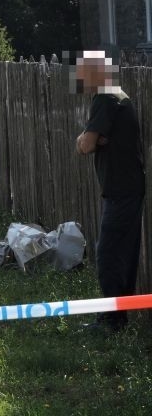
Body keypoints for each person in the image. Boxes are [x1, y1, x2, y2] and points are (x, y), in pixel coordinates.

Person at [75, 50, 145, 333]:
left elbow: (86, 145)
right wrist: (91, 138)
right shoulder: (113, 95)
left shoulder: (106, 97)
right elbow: (92, 140)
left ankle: (111, 320)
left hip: (122, 190)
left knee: (108, 254)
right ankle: (119, 316)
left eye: (83, 72)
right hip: (126, 187)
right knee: (120, 253)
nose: (79, 78)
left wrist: (88, 138)